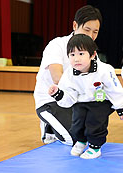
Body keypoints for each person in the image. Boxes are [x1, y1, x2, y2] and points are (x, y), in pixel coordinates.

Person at [49, 34, 123, 159]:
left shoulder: (104, 70)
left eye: (81, 54)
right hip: (81, 101)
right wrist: (58, 94)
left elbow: (114, 89)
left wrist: (120, 107)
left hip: (101, 101)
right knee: (77, 123)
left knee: (94, 123)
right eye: (72, 55)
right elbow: (69, 96)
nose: (76, 59)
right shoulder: (69, 73)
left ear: (92, 55)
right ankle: (81, 141)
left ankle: (95, 147)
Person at [34, 5, 102, 145]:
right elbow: (57, 78)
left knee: (94, 136)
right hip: (51, 101)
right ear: (75, 25)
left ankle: (56, 126)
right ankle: (49, 127)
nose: (90, 36)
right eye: (86, 30)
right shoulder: (57, 45)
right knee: (76, 141)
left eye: (95, 32)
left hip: (76, 103)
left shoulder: (92, 54)